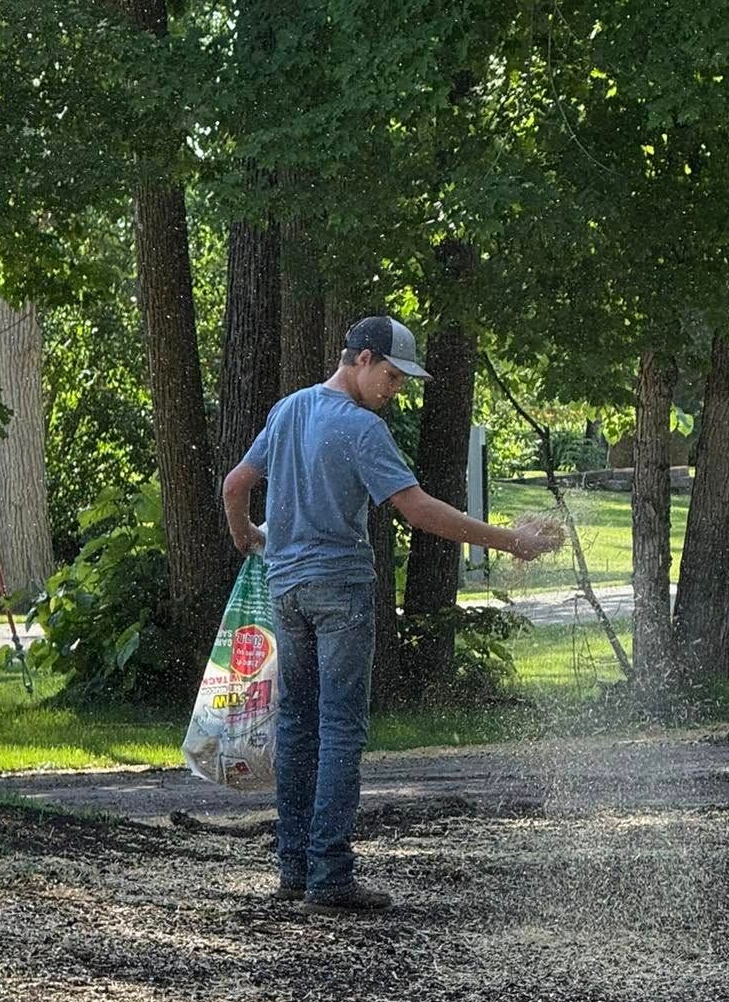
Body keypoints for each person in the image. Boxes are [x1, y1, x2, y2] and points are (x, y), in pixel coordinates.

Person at [222, 314, 562, 915]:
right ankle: (330, 877)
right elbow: (419, 511)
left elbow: (234, 484)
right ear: (362, 358)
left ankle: (293, 870)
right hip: (342, 590)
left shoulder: (288, 411)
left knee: (299, 726)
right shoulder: (360, 429)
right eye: (392, 376)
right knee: (341, 728)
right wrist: (510, 541)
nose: (395, 390)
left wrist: (247, 535)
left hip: (286, 589)